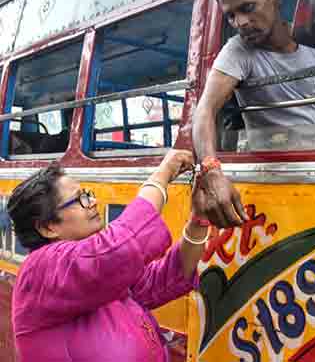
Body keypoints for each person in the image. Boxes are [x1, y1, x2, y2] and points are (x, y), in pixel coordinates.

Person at [191, 0, 315, 227]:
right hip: (269, 162)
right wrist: (211, 171)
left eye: (247, 7)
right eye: (231, 16)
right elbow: (205, 111)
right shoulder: (237, 51)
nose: (240, 23)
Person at [8, 150, 208, 361]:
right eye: (80, 200)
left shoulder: (94, 274)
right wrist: (162, 175)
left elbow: (163, 278)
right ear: (48, 227)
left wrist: (199, 220)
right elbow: (120, 243)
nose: (91, 202)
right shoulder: (40, 270)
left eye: (87, 194)